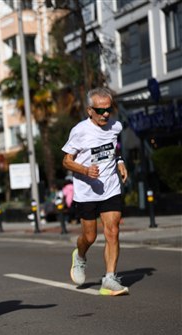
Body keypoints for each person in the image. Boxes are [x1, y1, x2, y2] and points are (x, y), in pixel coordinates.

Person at [62, 87, 129, 296]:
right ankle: (80, 256)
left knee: (113, 230)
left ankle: (109, 279)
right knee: (90, 237)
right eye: (100, 110)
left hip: (110, 187)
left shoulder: (115, 126)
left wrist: (120, 161)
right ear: (90, 110)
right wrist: (85, 170)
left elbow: (115, 146)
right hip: (86, 191)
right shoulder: (80, 131)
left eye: (109, 109)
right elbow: (66, 161)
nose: (106, 114)